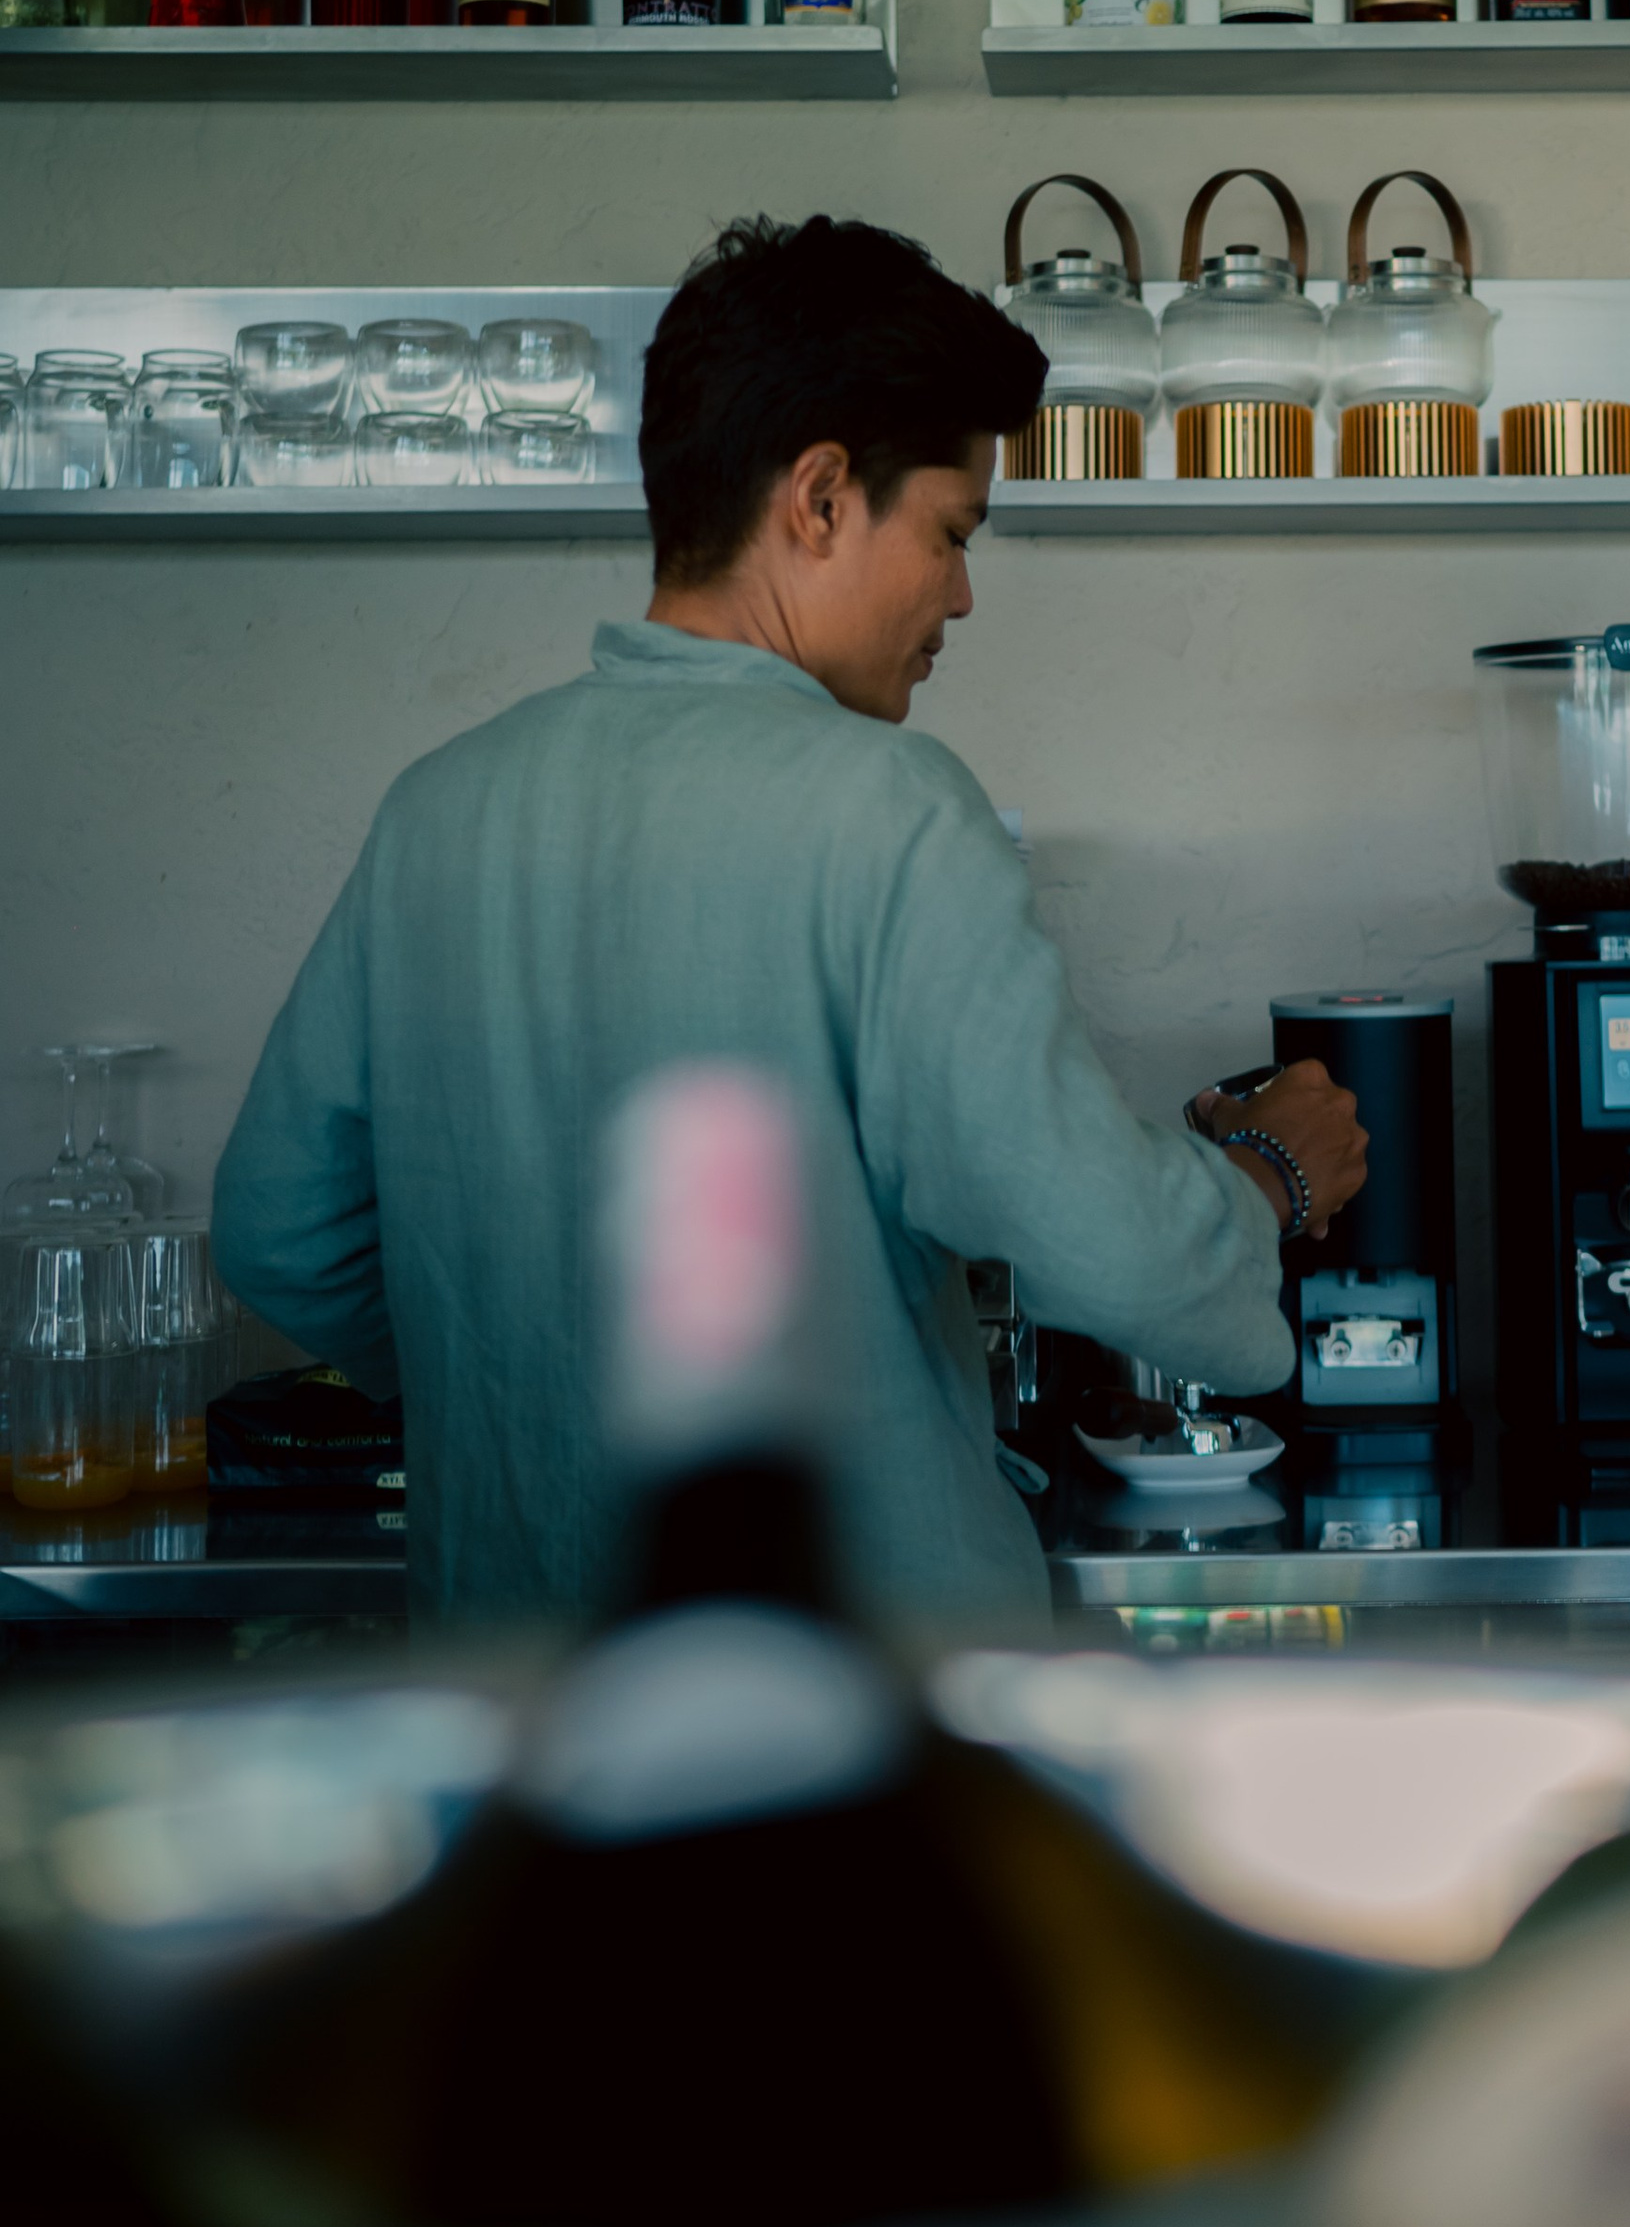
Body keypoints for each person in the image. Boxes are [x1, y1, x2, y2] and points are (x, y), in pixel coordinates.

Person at [213, 215, 1365, 1641]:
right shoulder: (887, 809)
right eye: (949, 532)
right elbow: (1117, 1257)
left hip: (519, 1699)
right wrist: (1268, 1177)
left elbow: (278, 1234)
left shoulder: (436, 813)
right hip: (858, 1717)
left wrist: (521, 1370)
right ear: (819, 498)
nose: (959, 595)